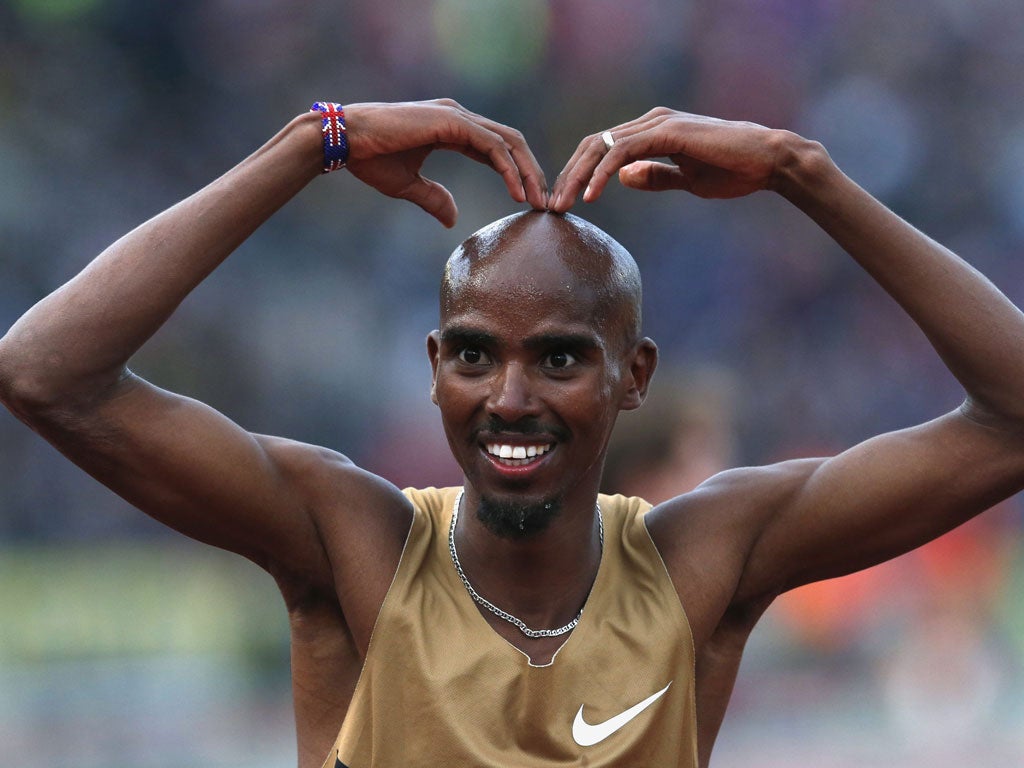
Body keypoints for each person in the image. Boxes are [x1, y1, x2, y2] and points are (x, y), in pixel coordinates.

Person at [1, 98, 1023, 768]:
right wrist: (313, 143)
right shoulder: (354, 546)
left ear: (635, 376)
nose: (511, 397)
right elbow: (46, 373)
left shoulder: (704, 562)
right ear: (435, 366)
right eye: (476, 354)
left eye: (562, 358)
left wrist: (804, 173)